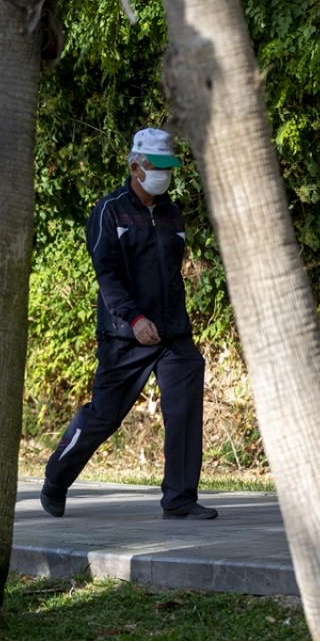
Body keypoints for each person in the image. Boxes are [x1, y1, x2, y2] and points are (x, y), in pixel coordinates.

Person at [40, 128, 217, 520]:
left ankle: (180, 500)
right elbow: (107, 276)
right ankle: (56, 478)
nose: (165, 174)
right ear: (136, 166)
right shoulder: (110, 211)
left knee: (184, 410)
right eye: (158, 167)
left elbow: (171, 273)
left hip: (173, 335)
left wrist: (171, 323)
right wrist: (135, 319)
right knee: (104, 416)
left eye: (170, 167)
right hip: (125, 336)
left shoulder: (171, 213)